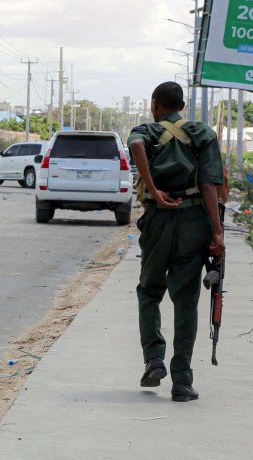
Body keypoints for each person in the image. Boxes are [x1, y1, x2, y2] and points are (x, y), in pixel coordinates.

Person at [127, 81, 224, 403]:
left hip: (158, 219)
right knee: (186, 301)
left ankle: (154, 359)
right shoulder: (203, 133)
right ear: (181, 106)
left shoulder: (147, 130)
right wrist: (218, 232)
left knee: (150, 291)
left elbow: (137, 147)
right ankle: (182, 382)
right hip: (195, 220)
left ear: (155, 104)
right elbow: (210, 185)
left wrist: (154, 190)